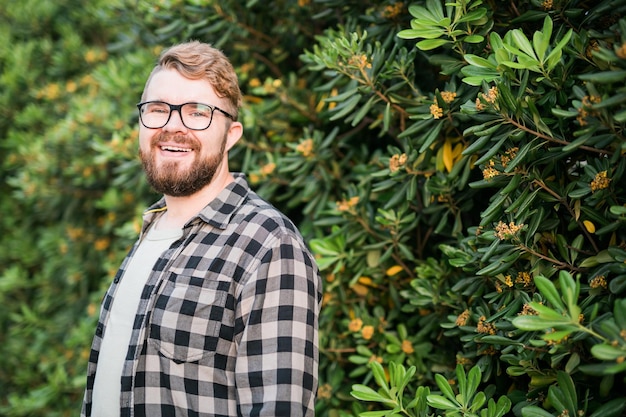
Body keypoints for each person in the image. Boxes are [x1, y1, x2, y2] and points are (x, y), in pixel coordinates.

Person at [81, 41, 322, 417]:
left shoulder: (268, 245)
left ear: (232, 134)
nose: (172, 126)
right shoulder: (154, 231)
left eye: (197, 113)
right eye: (158, 109)